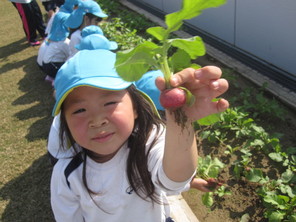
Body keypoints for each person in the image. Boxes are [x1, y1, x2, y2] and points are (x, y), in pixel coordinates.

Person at [50, 49, 229, 221]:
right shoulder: (66, 174)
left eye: (109, 103)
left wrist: (182, 119)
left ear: (135, 108)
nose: (97, 121)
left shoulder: (149, 141)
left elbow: (175, 180)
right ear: (64, 121)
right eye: (80, 110)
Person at [37, 0, 79, 84]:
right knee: (70, 68)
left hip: (41, 64)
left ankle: (51, 76)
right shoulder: (64, 41)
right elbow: (72, 57)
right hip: (50, 66)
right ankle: (56, 80)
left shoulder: (53, 34)